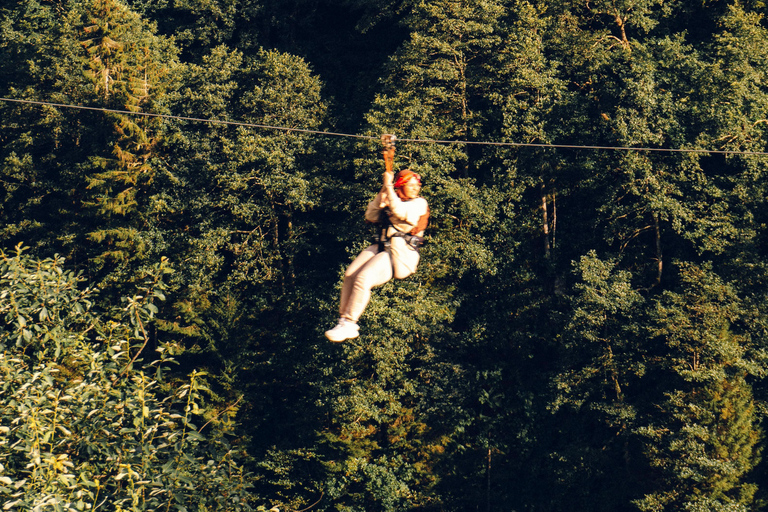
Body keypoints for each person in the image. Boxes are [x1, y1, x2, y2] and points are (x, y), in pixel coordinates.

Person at [325, 145, 429, 342]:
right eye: (411, 184)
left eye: (417, 185)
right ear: (401, 187)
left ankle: (350, 321)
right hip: (384, 246)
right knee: (350, 274)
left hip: (401, 253)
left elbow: (400, 213)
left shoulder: (419, 204)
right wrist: (383, 191)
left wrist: (389, 189)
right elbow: (371, 215)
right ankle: (343, 320)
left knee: (363, 278)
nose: (416, 188)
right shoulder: (391, 198)